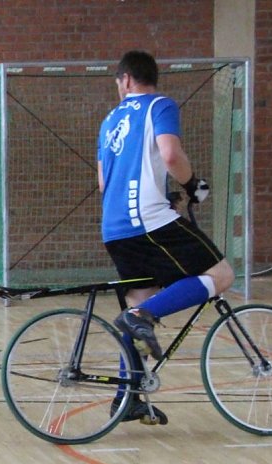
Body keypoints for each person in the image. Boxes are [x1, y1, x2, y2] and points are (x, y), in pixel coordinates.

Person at [97, 51, 234, 423]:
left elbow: (103, 182)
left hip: (114, 226)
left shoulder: (109, 121)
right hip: (147, 220)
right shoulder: (160, 104)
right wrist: (193, 185)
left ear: (125, 81)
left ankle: (128, 399)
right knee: (221, 275)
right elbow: (171, 155)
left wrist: (169, 196)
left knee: (137, 299)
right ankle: (143, 315)